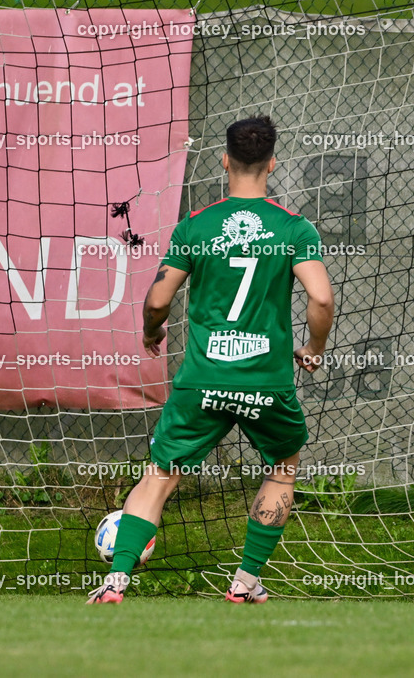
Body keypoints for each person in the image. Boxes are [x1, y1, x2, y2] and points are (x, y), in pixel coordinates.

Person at [88, 115, 335, 604]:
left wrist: (151, 331)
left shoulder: (195, 227)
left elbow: (159, 300)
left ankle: (116, 580)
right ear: (272, 164)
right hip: (265, 382)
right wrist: (313, 349)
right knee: (282, 467)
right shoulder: (294, 228)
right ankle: (244, 582)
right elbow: (322, 299)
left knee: (160, 475)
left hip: (203, 380)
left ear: (225, 160)